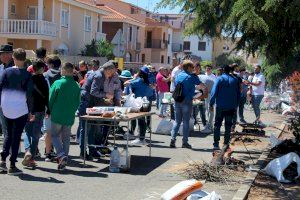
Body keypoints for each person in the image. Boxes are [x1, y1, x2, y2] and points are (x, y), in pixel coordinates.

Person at [0, 48, 33, 175]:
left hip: (6, 107)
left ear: (13, 57)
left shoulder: (6, 72)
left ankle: (2, 161)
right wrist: (31, 111)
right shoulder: (27, 74)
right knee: (16, 136)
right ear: (25, 59)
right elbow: (30, 95)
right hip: (21, 109)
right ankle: (12, 165)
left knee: (7, 134)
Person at [81, 61, 122, 158]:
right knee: (86, 128)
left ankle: (92, 150)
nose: (112, 75)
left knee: (93, 128)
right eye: (111, 73)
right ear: (107, 70)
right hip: (87, 102)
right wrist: (106, 95)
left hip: (93, 103)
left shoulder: (103, 75)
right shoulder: (99, 76)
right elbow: (93, 91)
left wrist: (105, 100)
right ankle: (83, 152)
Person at [49, 62, 80, 170]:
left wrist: (48, 110)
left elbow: (51, 99)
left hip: (57, 114)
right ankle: (64, 158)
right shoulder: (76, 85)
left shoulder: (58, 83)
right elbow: (77, 102)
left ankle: (61, 155)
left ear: (65, 71)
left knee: (54, 135)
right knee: (66, 138)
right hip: (69, 115)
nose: (60, 70)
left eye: (62, 69)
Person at [22, 59, 50, 168]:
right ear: (42, 69)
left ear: (33, 68)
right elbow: (47, 96)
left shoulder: (29, 79)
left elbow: (26, 95)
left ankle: (27, 151)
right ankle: (31, 158)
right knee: (36, 134)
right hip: (40, 110)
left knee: (27, 132)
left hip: (29, 109)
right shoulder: (44, 80)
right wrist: (49, 109)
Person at [170, 60, 202, 149]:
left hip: (177, 100)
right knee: (186, 122)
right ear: (188, 67)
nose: (193, 69)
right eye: (192, 67)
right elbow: (200, 85)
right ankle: (185, 142)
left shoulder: (178, 75)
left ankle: (172, 140)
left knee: (177, 121)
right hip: (187, 101)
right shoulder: (192, 77)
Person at [210, 65, 240, 150]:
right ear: (230, 70)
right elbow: (238, 94)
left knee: (217, 125)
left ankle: (216, 144)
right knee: (228, 125)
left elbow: (214, 91)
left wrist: (211, 103)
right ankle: (226, 144)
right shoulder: (235, 80)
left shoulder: (219, 79)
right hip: (231, 107)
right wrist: (236, 106)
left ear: (223, 70)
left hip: (220, 107)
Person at [127, 66, 155, 145]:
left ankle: (140, 138)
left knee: (140, 120)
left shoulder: (138, 81)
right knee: (143, 120)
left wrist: (133, 78)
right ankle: (142, 137)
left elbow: (126, 84)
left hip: (139, 103)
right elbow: (151, 92)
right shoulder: (149, 82)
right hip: (147, 102)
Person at [43, 55, 62, 162]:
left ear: (50, 65)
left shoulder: (45, 75)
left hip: (47, 107)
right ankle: (57, 152)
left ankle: (48, 152)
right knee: (58, 131)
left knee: (48, 130)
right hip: (59, 107)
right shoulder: (63, 76)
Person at [0, 44, 14, 137]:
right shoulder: (2, 66)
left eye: (6, 54)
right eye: (2, 54)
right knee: (5, 127)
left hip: (11, 101)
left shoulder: (15, 67)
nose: (3, 56)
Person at [198, 65, 216, 133]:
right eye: (207, 68)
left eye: (209, 69)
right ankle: (208, 125)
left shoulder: (213, 77)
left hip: (210, 95)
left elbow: (214, 87)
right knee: (206, 111)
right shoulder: (202, 75)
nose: (207, 70)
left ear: (211, 69)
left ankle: (210, 127)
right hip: (203, 94)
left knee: (210, 110)